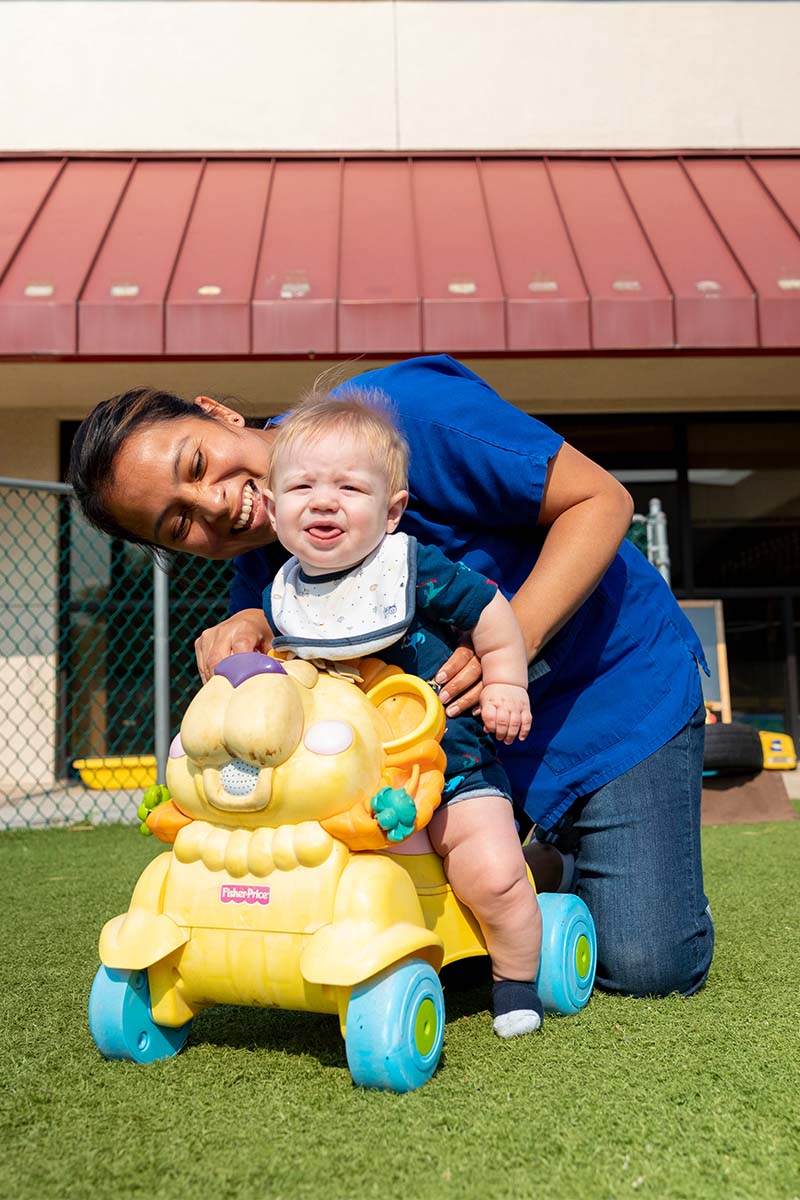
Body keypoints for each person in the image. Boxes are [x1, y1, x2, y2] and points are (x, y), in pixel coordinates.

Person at [68, 354, 715, 1001]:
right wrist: (243, 636)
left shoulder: (399, 414)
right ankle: (537, 862)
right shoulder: (266, 564)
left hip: (610, 691)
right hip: (459, 758)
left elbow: (602, 499)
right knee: (423, 932)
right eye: (178, 523)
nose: (214, 504)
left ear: (217, 412)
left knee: (647, 966)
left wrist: (509, 640)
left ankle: (587, 842)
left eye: (197, 464)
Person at [263, 389, 543, 1037]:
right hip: (357, 785)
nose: (325, 500)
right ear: (275, 510)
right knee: (365, 888)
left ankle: (516, 977)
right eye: (303, 485)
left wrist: (506, 681)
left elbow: (492, 615)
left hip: (452, 765)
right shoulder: (288, 594)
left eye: (350, 489)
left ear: (391, 512)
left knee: (491, 875)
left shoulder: (410, 569)